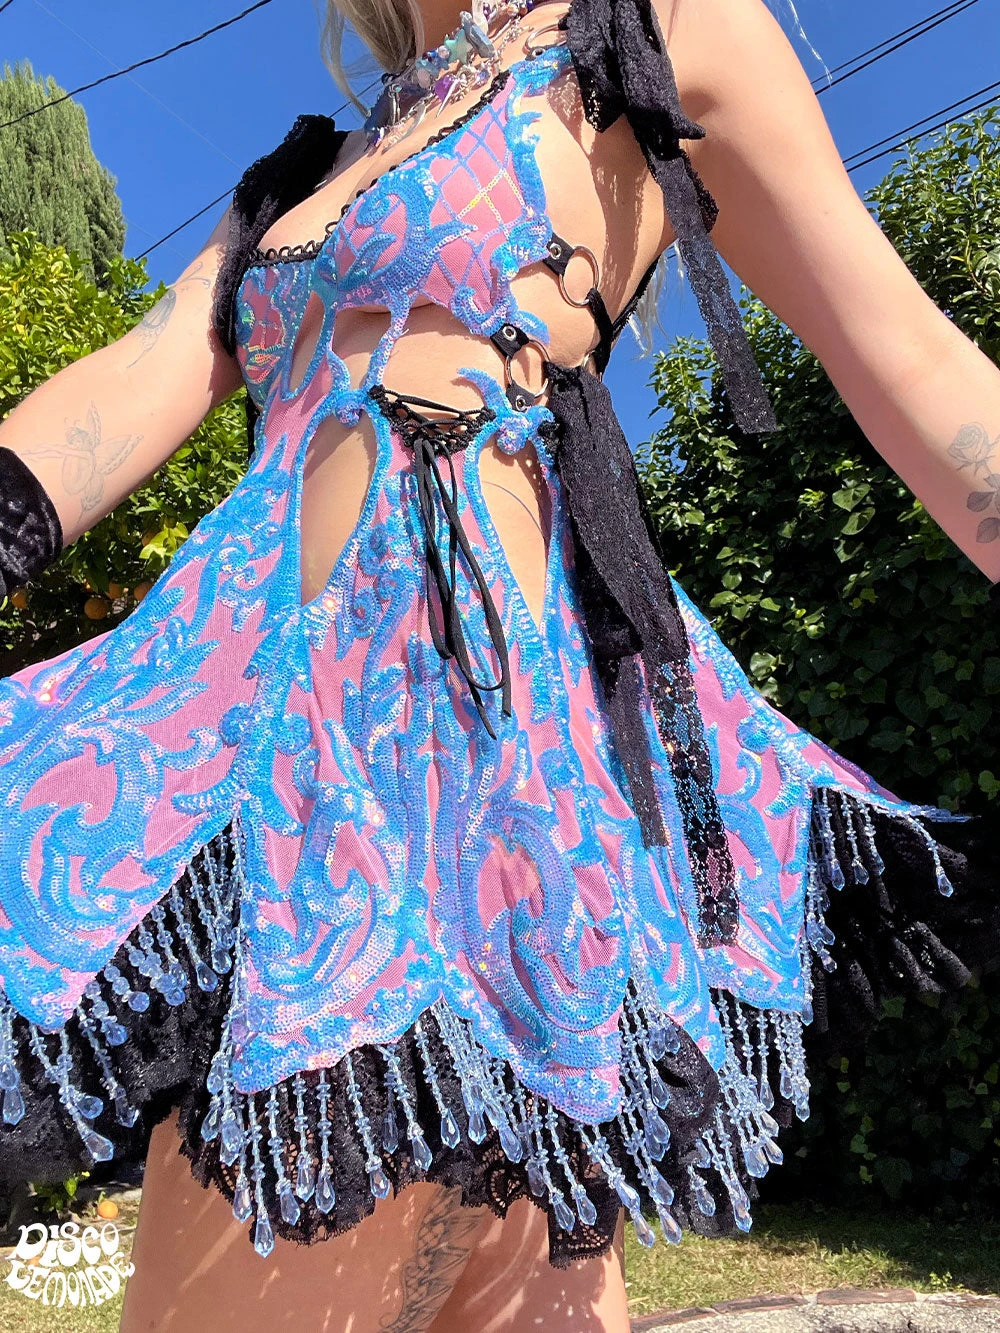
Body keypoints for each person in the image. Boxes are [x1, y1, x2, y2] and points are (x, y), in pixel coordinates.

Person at [0, 0, 997, 1328]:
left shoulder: (649, 37)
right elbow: (131, 384)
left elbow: (913, 361)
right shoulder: (308, 173)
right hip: (293, 803)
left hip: (494, 805)